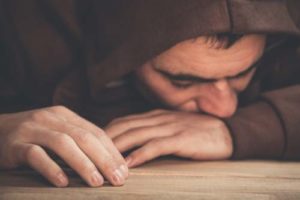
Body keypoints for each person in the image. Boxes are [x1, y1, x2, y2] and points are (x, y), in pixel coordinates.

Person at [0, 0, 299, 188]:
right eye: (182, 82)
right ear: (124, 57)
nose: (223, 108)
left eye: (244, 73)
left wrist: (237, 131)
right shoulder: (23, 26)